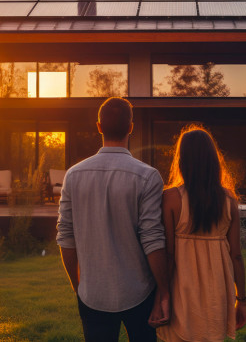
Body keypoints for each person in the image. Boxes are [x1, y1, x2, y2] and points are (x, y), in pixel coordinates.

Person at [56, 97, 170, 342]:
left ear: (98, 127)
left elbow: (66, 236)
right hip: (140, 291)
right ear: (131, 127)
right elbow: (153, 238)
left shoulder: (73, 175)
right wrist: (163, 289)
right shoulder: (148, 176)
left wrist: (78, 286)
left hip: (92, 293)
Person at [154, 125, 246, 342]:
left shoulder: (170, 198)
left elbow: (167, 254)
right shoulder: (229, 200)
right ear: (213, 160)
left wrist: (161, 295)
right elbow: (236, 256)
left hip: (181, 290)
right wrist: (241, 300)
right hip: (217, 291)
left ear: (182, 160)